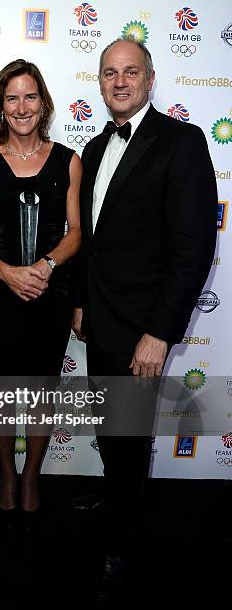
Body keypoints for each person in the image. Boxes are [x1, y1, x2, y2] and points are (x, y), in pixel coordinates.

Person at [72, 38, 217, 599]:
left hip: (143, 327)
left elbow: (192, 247)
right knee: (112, 432)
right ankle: (117, 495)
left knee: (129, 435)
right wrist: (81, 299)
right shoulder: (94, 143)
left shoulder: (181, 142)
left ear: (150, 79)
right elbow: (94, 242)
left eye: (131, 72)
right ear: (101, 81)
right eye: (110, 73)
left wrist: (159, 333)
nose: (120, 82)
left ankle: (122, 540)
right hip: (101, 318)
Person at [0, 59, 82, 517]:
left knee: (40, 392)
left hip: (50, 297)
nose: (21, 106)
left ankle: (31, 474)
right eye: (11, 97)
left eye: (29, 96)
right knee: (3, 391)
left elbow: (75, 232)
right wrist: (8, 272)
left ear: (43, 102)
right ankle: (7, 474)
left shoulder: (67, 160)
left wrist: (46, 266)